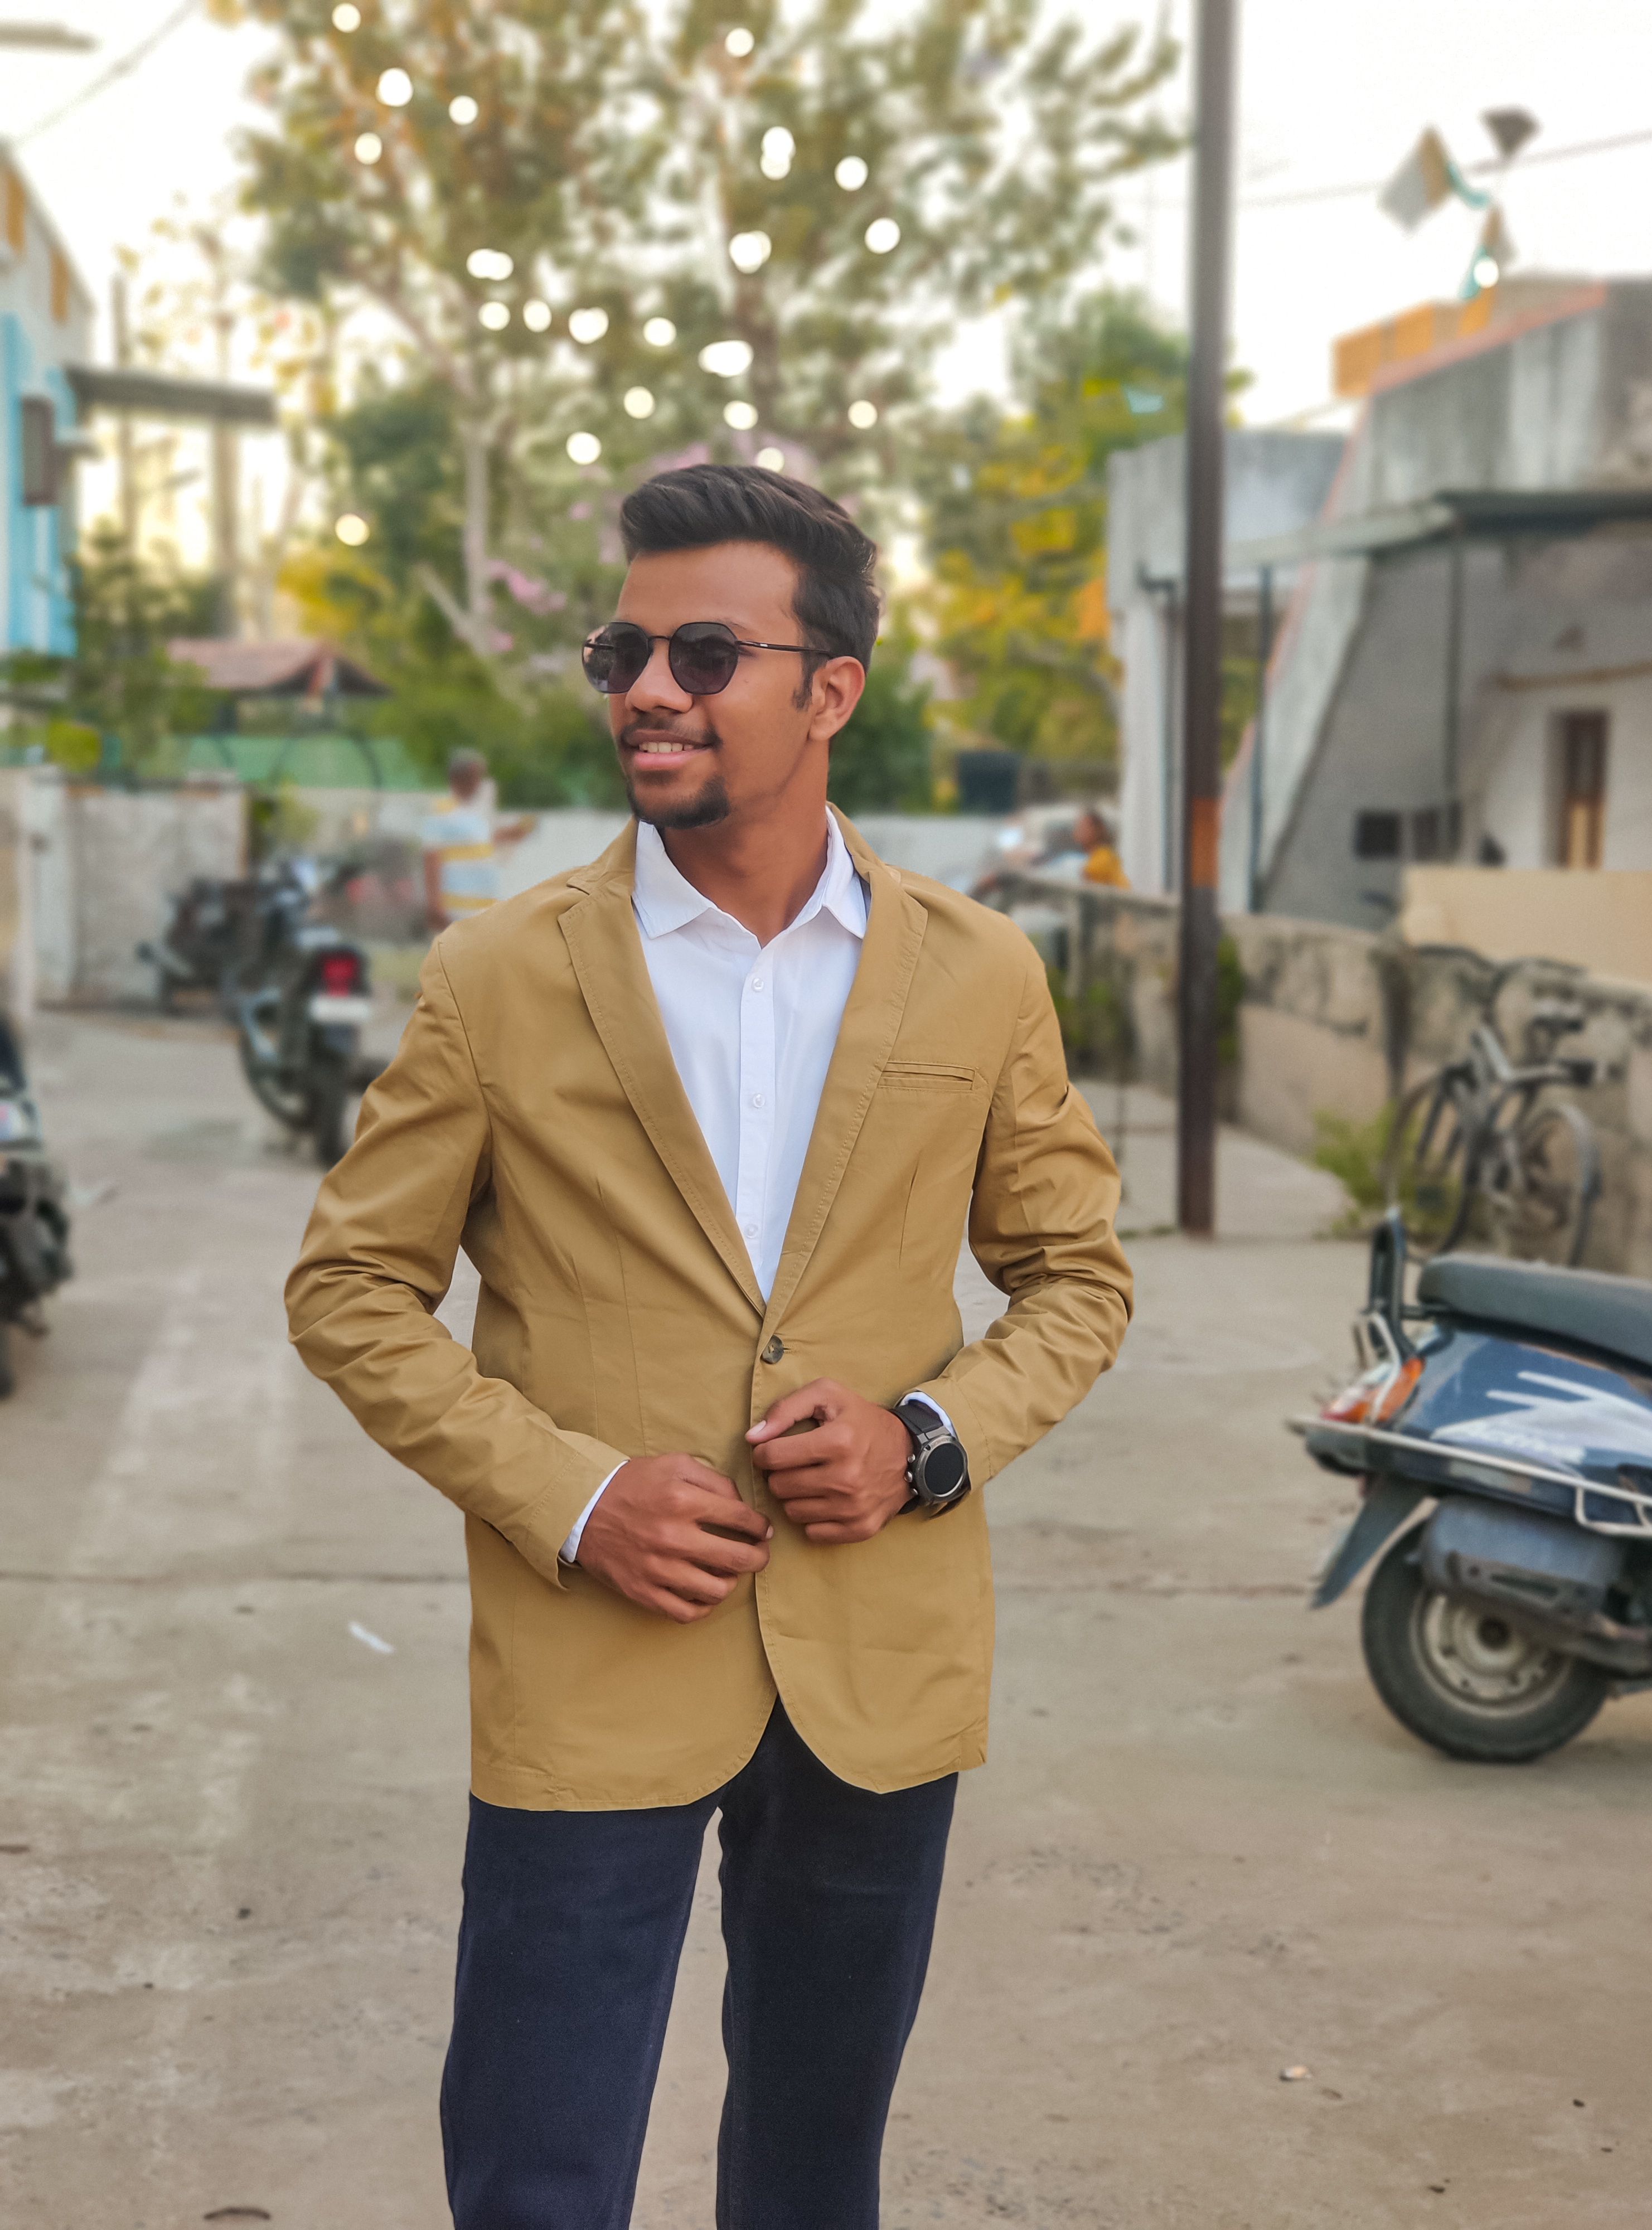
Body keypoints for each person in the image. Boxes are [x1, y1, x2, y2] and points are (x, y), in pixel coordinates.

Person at [285, 462, 1132, 2230]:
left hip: (874, 1656)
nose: (645, 688)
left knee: (816, 2172)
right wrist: (574, 1494)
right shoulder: (500, 973)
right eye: (622, 649)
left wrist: (930, 1431)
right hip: (593, 1659)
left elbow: (1075, 1274)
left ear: (831, 688)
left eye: (700, 650)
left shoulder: (977, 975)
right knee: (536, 2170)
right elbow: (352, 1286)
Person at [420, 748, 535, 932]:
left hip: (483, 904)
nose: (479, 782)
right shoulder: (441, 811)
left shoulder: (477, 810)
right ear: (459, 779)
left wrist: (517, 832)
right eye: (475, 776)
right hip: (456, 906)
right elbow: (431, 859)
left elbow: (488, 840)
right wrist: (435, 905)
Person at [1073, 806, 1130, 889]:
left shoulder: (1105, 855)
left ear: (1096, 830)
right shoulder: (1091, 855)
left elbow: (1087, 873)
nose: (1079, 830)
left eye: (1083, 827)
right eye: (1079, 826)